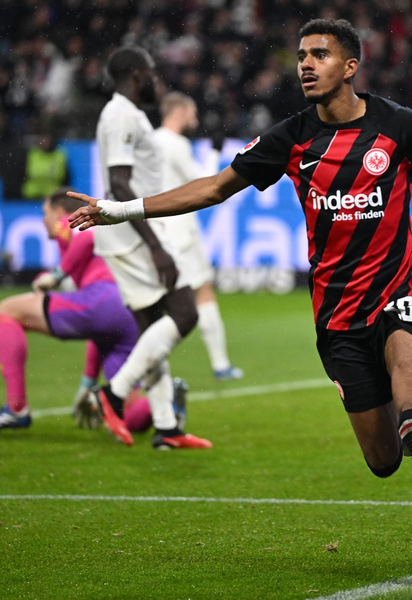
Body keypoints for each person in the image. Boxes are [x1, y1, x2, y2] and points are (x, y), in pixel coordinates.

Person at [68, 20, 412, 594]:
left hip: (402, 292)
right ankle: (367, 391)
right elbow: (213, 188)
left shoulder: (399, 125)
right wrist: (119, 210)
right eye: (301, 55)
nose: (305, 64)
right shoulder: (291, 137)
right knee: (383, 460)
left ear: (350, 66)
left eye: (320, 54)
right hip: (337, 316)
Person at [88, 46, 210, 450]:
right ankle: (115, 393)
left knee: (153, 328)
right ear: (137, 74)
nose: (156, 82)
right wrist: (156, 246)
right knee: (185, 312)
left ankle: (166, 428)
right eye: (152, 73)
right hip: (133, 235)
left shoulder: (129, 114)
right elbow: (119, 183)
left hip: (128, 234)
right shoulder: (120, 114)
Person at [0, 189, 137, 429]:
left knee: (6, 312)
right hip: (126, 312)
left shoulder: (71, 221)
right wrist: (88, 382)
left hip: (101, 299)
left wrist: (57, 274)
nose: (44, 220)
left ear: (60, 212)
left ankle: (16, 407)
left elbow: (85, 236)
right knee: (128, 409)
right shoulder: (92, 253)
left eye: (46, 213)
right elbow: (99, 329)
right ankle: (167, 411)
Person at [151, 91, 243, 380]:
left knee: (157, 302)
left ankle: (146, 364)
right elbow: (204, 183)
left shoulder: (150, 140)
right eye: (192, 112)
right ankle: (220, 365)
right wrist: (215, 152)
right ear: (179, 111)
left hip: (154, 230)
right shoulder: (176, 143)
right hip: (180, 230)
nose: (196, 118)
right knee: (201, 293)